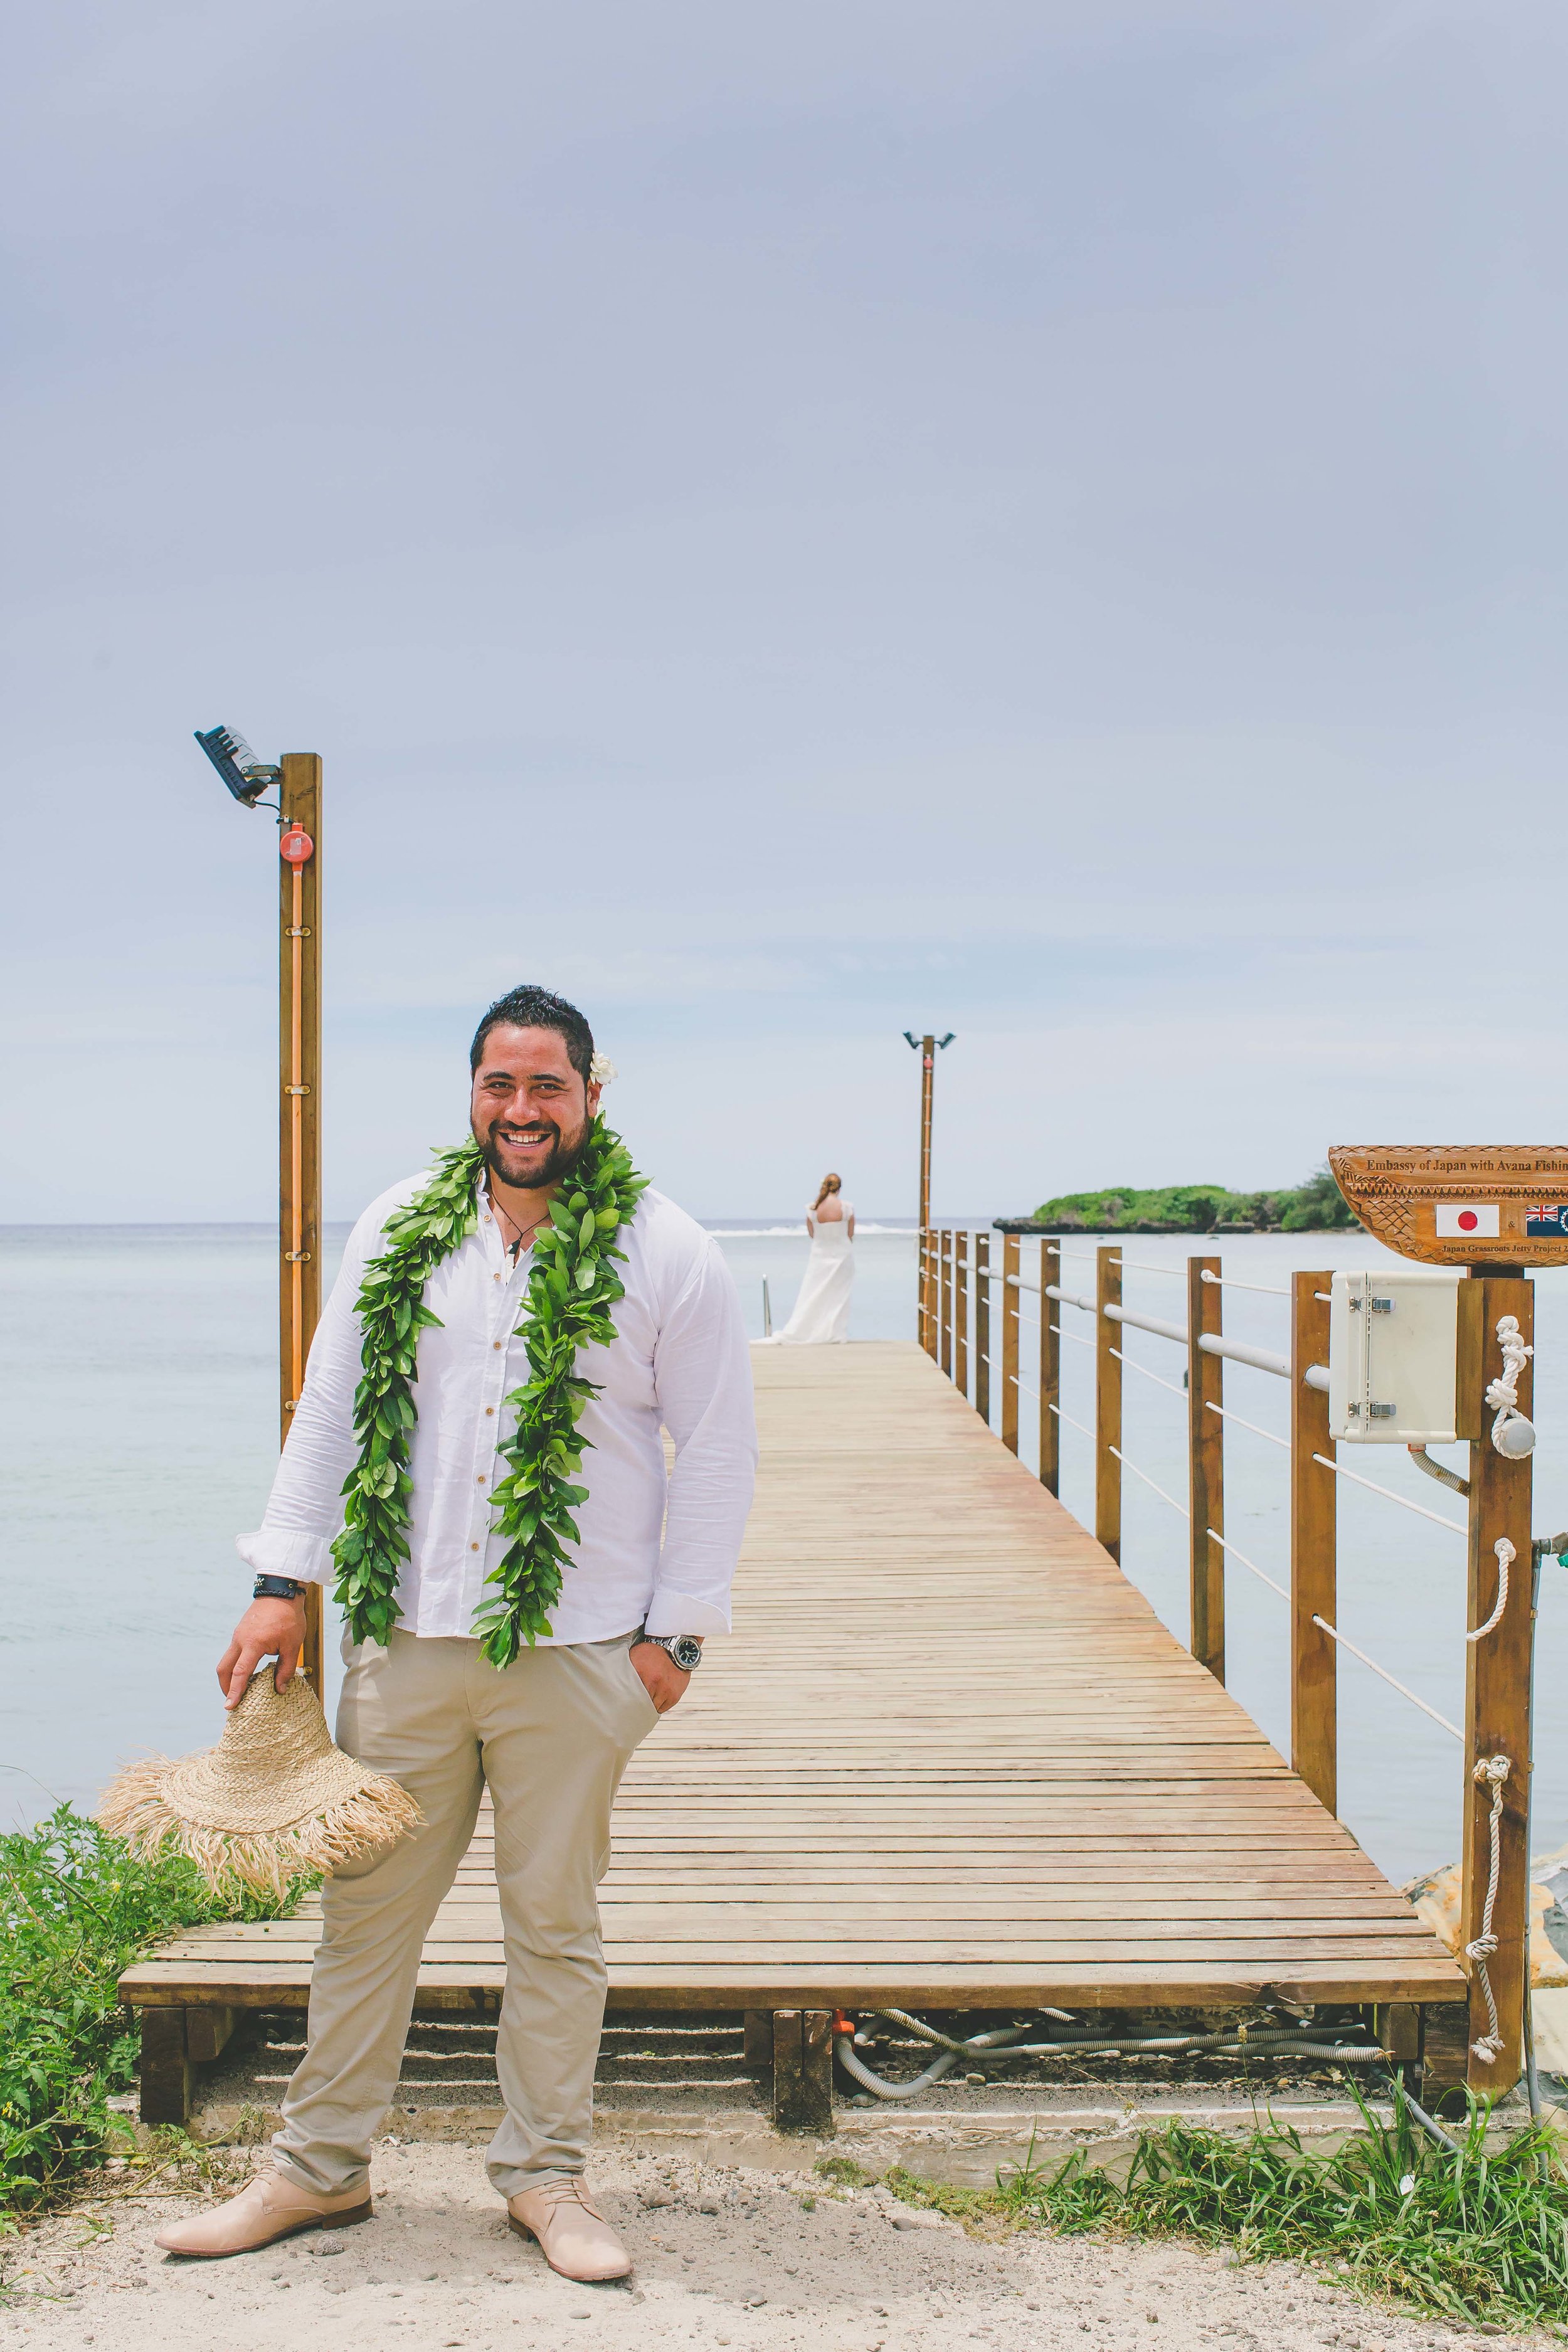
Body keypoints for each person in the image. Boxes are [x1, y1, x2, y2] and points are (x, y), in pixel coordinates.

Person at [156, 985, 756, 2280]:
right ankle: (317, 2172)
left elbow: (713, 1457)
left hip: (582, 1651)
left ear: (594, 1096)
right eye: (500, 1085)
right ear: (472, 1093)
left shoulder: (670, 1252)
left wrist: (676, 1643)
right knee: (365, 1919)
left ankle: (547, 2179)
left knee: (554, 1926)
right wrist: (279, 1581)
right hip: (407, 1642)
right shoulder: (397, 1230)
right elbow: (328, 1412)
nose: (522, 1110)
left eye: (547, 1086)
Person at [761, 1171, 855, 1345]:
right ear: (840, 1188)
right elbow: (850, 1235)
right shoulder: (847, 1208)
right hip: (842, 1255)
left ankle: (813, 1330)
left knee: (813, 1294)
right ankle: (835, 1332)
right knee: (839, 1296)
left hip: (820, 1255)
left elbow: (813, 1235)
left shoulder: (813, 1208)